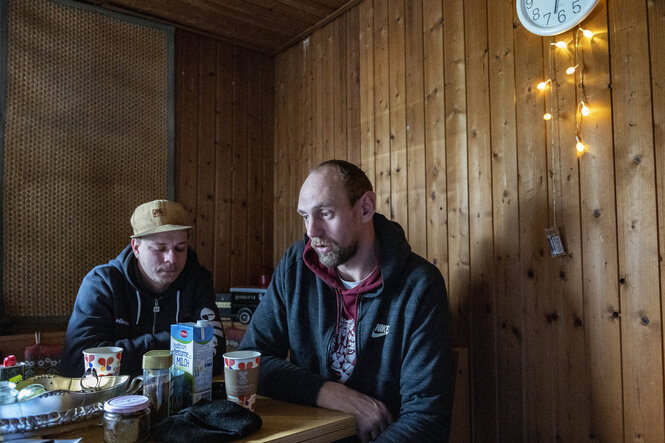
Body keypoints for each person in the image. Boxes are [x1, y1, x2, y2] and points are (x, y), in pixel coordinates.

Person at [239, 160, 453, 442]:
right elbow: (250, 361)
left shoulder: (419, 286)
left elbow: (426, 419)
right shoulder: (296, 268)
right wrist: (330, 393)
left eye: (325, 214)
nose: (312, 233)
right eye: (305, 216)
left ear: (365, 207)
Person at [60, 199, 225, 377]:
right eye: (160, 249)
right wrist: (178, 340)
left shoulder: (197, 280)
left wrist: (121, 353)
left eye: (180, 248)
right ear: (136, 248)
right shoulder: (101, 283)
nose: (171, 259)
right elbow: (79, 364)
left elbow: (214, 357)